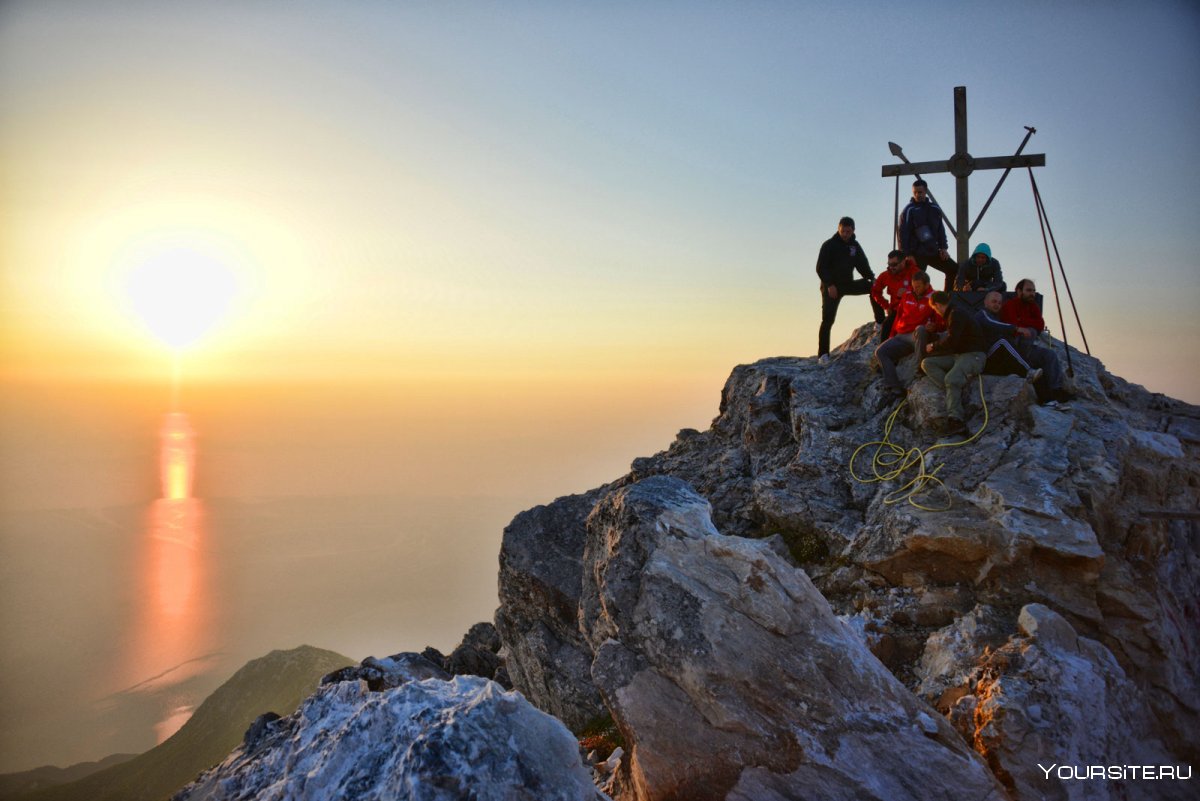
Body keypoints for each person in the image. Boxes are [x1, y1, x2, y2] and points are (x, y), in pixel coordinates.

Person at [815, 216, 885, 364]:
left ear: (853, 230)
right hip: (831, 287)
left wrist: (871, 278)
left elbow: (862, 264)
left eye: (848, 231)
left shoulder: (854, 246)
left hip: (848, 283)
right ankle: (823, 355)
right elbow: (821, 268)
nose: (845, 234)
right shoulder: (829, 245)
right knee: (828, 320)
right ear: (838, 229)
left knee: (874, 287)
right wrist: (829, 284)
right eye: (842, 231)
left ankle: (879, 322)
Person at [921, 291, 987, 438]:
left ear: (937, 305)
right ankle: (954, 392)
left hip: (974, 355)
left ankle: (956, 420)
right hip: (959, 356)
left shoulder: (956, 314)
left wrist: (934, 346)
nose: (936, 312)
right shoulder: (953, 313)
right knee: (927, 363)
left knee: (951, 379)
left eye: (935, 309)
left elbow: (952, 340)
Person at [999, 280, 1075, 403]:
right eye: (1028, 290)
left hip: (1028, 348)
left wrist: (1023, 321)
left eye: (1033, 291)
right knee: (1030, 332)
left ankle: (1056, 390)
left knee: (1050, 355)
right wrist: (1027, 325)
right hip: (1015, 348)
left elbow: (1040, 325)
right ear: (1019, 291)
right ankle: (1045, 394)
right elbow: (1013, 326)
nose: (1032, 294)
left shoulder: (1033, 306)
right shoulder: (1010, 305)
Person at [875, 271, 942, 403]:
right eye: (913, 286)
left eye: (918, 286)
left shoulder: (934, 297)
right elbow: (898, 317)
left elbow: (940, 322)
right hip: (901, 335)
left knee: (921, 329)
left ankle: (918, 370)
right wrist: (891, 336)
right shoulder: (907, 295)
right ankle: (895, 388)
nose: (915, 289)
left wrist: (935, 327)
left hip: (918, 336)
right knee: (880, 351)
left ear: (927, 285)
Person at [898, 179, 957, 291]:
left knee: (954, 269)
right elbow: (902, 233)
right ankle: (912, 305)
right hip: (916, 254)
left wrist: (943, 248)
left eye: (920, 192)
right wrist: (907, 254)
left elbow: (940, 229)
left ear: (925, 191)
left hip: (933, 251)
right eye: (915, 192)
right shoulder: (908, 210)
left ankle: (946, 298)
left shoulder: (934, 208)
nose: (917, 195)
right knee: (917, 282)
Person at [871, 252, 918, 340]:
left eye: (894, 264)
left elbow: (925, 289)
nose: (891, 267)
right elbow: (875, 291)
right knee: (887, 328)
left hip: (912, 308)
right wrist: (886, 306)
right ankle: (880, 322)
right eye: (889, 264)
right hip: (896, 310)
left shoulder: (915, 272)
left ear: (903, 262)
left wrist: (908, 292)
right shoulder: (886, 275)